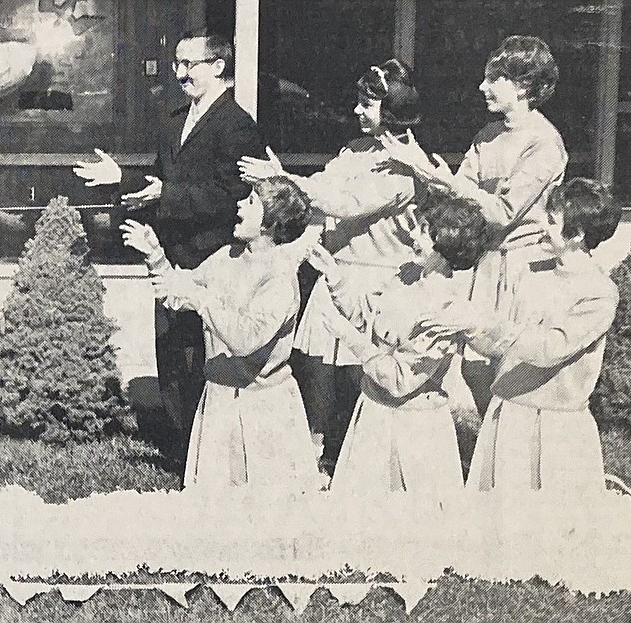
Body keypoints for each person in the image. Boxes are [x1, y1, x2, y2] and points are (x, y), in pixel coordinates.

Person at [419, 178, 631, 592]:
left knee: (560, 522)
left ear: (577, 236)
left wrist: (482, 324)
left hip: (557, 415)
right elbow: (500, 334)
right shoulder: (532, 270)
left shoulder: (598, 293)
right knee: (505, 516)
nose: (541, 227)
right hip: (512, 399)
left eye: (552, 222)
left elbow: (548, 348)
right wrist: (462, 328)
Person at [73, 28, 265, 456]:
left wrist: (165, 194)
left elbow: (230, 196)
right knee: (172, 359)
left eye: (188, 64)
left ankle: (208, 457)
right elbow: (163, 185)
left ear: (218, 67)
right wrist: (121, 179)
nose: (179, 74)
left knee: (204, 361)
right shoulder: (175, 120)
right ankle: (182, 453)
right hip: (167, 259)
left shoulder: (237, 126)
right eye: (177, 63)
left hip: (212, 262)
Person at [239, 58, 423, 476]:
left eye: (367, 104)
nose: (357, 111)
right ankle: (323, 453)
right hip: (336, 268)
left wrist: (285, 177)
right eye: (358, 102)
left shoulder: (406, 162)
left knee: (365, 371)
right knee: (320, 368)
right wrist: (287, 185)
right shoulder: (354, 149)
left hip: (381, 277)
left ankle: (364, 457)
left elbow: (348, 204)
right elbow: (323, 190)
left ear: (392, 107)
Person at [381, 35, 567, 418]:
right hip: (484, 265)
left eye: (493, 79)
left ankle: (511, 456)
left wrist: (445, 179)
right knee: (472, 366)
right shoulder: (487, 135)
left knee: (511, 367)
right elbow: (459, 196)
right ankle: (493, 448)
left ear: (523, 86)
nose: (482, 87)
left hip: (524, 269)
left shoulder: (545, 143)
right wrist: (420, 168)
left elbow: (501, 211)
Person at [118, 176, 320, 495]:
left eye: (252, 202)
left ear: (272, 223)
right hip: (219, 399)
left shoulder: (279, 279)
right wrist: (154, 255)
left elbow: (245, 340)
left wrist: (204, 300)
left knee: (268, 507)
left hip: (264, 408)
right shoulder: (227, 257)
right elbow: (177, 294)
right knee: (216, 509)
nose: (239, 204)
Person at [314, 191, 489, 501]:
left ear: (446, 241)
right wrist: (335, 276)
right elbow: (366, 315)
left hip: (415, 432)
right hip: (372, 416)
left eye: (423, 229)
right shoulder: (407, 274)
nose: (412, 234)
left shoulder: (448, 309)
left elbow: (401, 380)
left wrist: (350, 339)